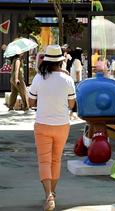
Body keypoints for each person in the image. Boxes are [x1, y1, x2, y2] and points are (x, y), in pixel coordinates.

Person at [28, 44, 76, 211]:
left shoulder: (38, 78)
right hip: (62, 125)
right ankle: (52, 193)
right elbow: (71, 104)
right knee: (56, 160)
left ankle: (48, 195)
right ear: (61, 61)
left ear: (46, 60)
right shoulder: (67, 79)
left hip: (42, 124)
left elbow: (31, 102)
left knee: (44, 160)